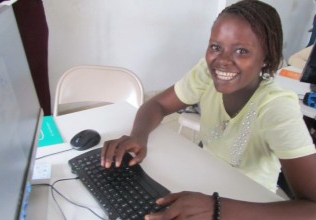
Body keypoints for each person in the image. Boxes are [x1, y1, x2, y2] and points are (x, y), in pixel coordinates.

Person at [101, 0, 316, 219]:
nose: (222, 61)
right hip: (204, 179)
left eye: (241, 51)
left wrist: (216, 209)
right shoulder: (206, 72)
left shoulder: (276, 107)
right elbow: (158, 104)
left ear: (266, 58)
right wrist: (138, 136)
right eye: (215, 47)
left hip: (252, 204)